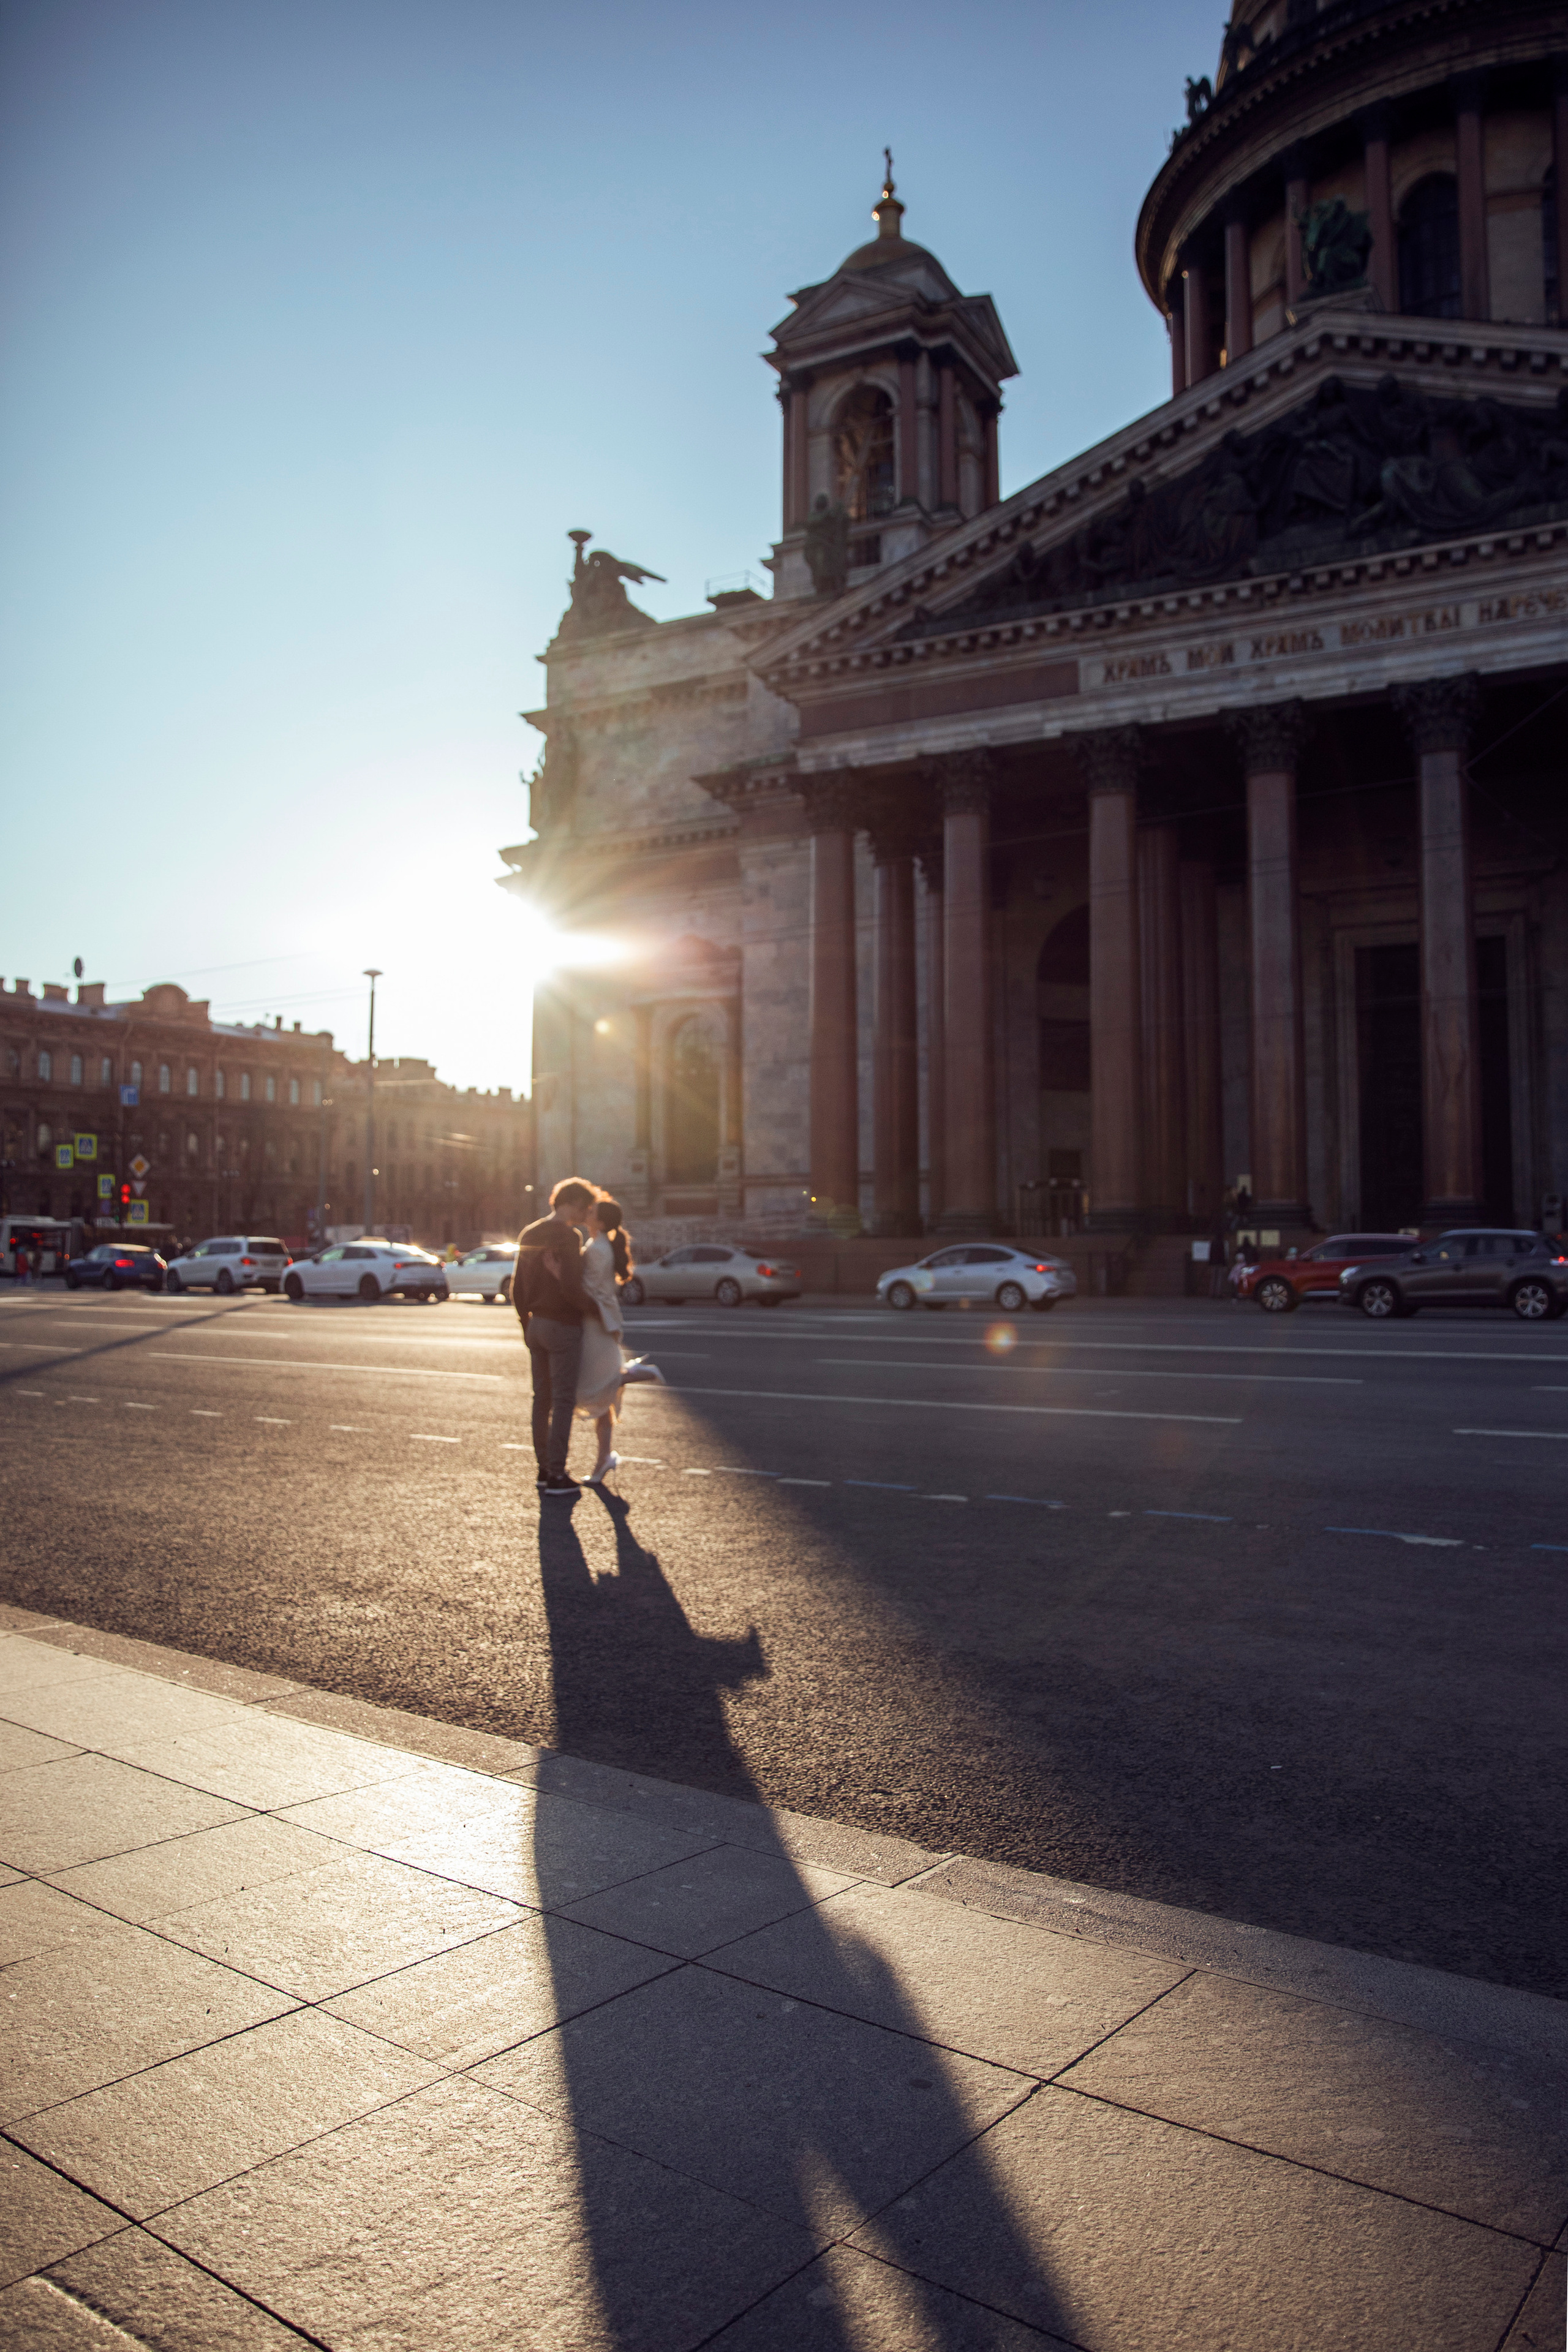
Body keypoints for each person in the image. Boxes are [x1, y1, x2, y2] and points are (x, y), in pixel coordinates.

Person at [514, 1177, 598, 1494]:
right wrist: (598, 1311)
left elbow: (517, 1287)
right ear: (572, 1204)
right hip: (562, 1325)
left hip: (537, 1326)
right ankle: (557, 1474)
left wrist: (526, 1325)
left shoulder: (530, 1232)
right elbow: (571, 1287)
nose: (586, 1213)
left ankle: (542, 1469)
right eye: (584, 1207)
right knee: (563, 1401)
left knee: (542, 1401)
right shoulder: (568, 1236)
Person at [575, 1196, 663, 1485]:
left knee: (593, 1388)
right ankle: (604, 1459)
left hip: (594, 1324)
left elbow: (591, 1288)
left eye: (593, 1212)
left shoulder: (597, 1249)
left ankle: (633, 1374)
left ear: (600, 1223)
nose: (587, 1213)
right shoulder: (601, 1245)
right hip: (601, 1323)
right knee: (602, 1396)